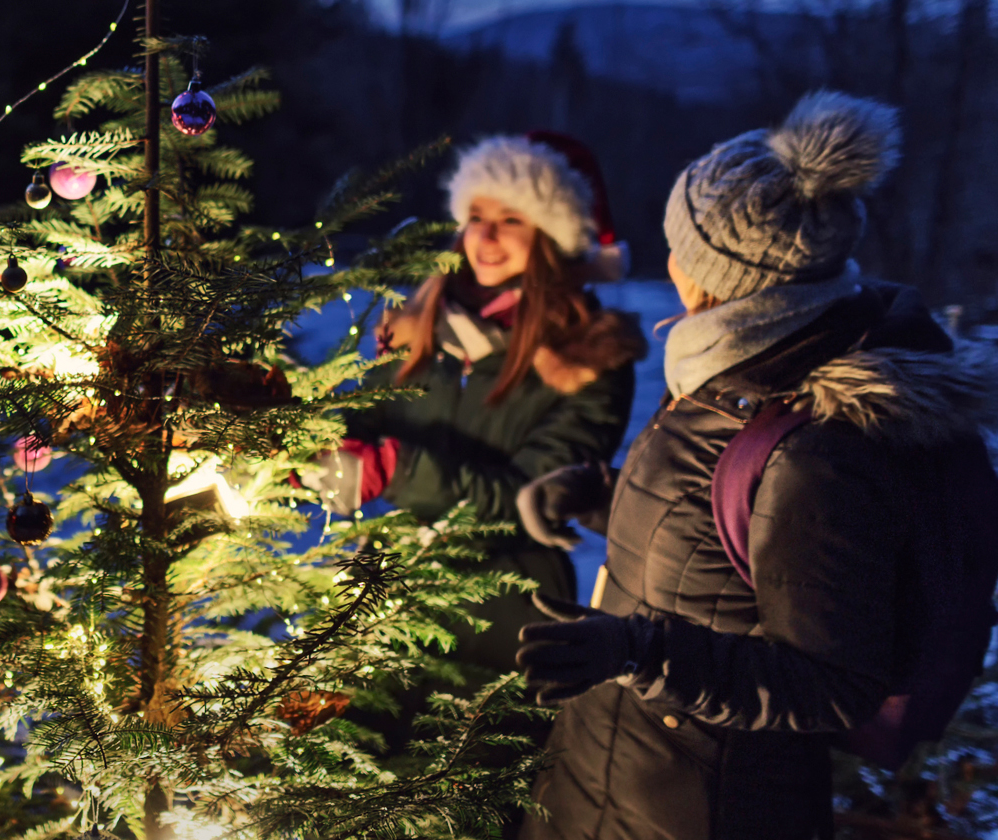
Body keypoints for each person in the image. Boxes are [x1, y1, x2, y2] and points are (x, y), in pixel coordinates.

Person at [515, 92, 998, 839]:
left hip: (703, 808)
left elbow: (833, 683)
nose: (670, 258)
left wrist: (636, 650)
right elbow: (729, 553)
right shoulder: (741, 367)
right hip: (611, 775)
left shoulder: (816, 445)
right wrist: (600, 499)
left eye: (682, 244)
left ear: (714, 274)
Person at [325, 131, 646, 685]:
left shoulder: (591, 358)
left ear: (552, 233)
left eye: (512, 219)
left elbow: (527, 495)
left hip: (504, 618)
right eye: (476, 215)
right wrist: (303, 442)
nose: (487, 235)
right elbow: (359, 420)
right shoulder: (412, 325)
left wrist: (394, 470)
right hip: (383, 599)